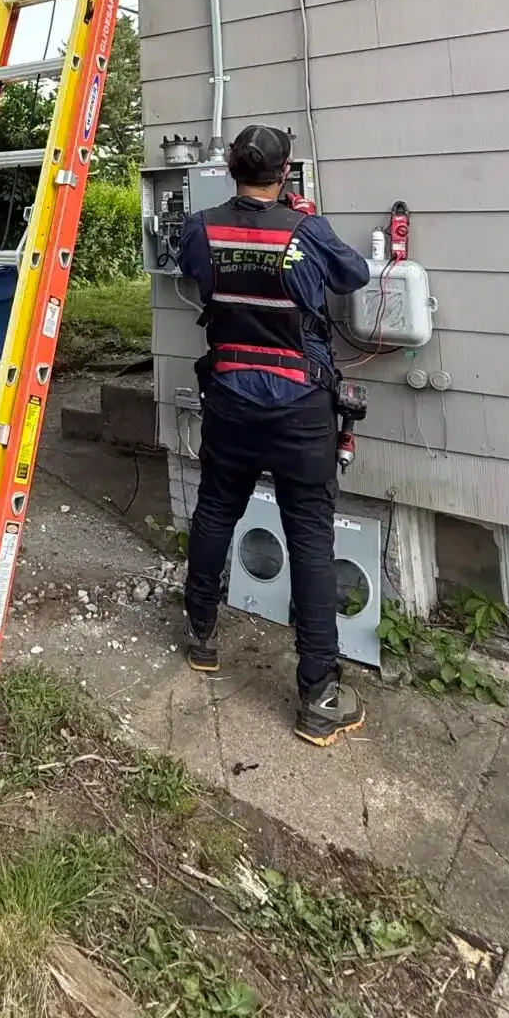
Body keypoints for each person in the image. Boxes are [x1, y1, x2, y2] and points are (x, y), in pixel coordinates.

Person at [178, 124, 372, 747]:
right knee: (310, 539)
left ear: (230, 169)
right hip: (299, 409)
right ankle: (319, 696)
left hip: (230, 397)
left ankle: (202, 636)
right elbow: (355, 276)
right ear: (285, 172)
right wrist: (304, 224)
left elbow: (190, 268)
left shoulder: (201, 226)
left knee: (214, 512)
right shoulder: (305, 230)